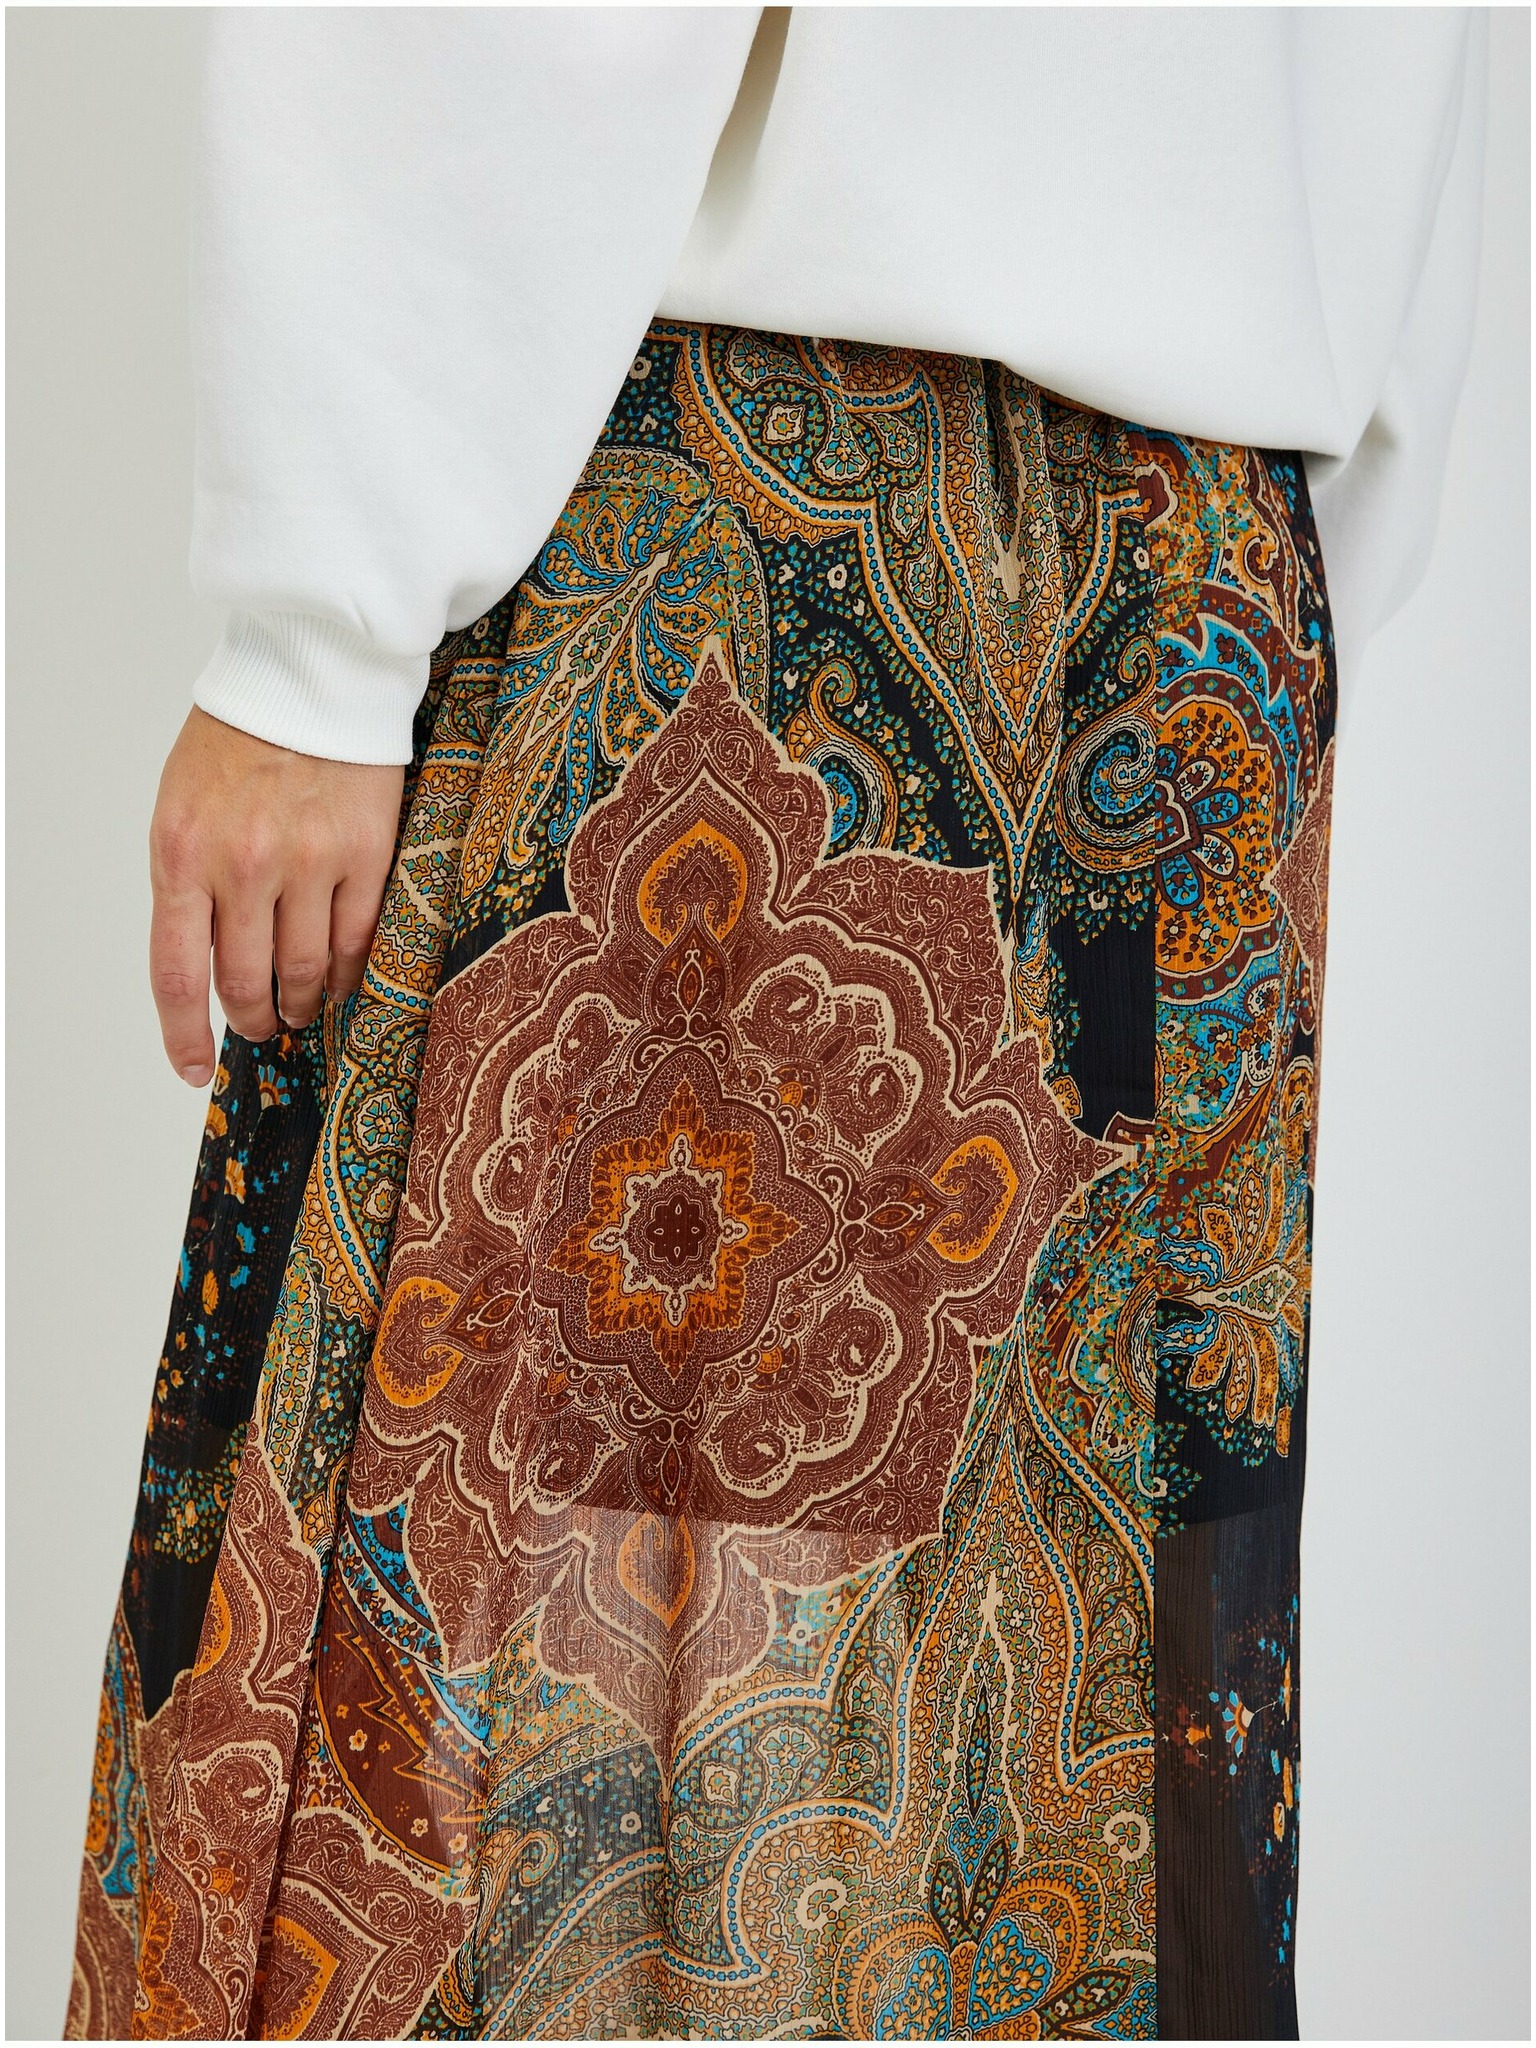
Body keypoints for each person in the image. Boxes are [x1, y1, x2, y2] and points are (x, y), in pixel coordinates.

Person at [69, 10, 1487, 2041]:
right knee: (1067, 1738)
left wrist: (324, 616)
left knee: (500, 1723)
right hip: (1200, 608)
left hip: (755, 537)